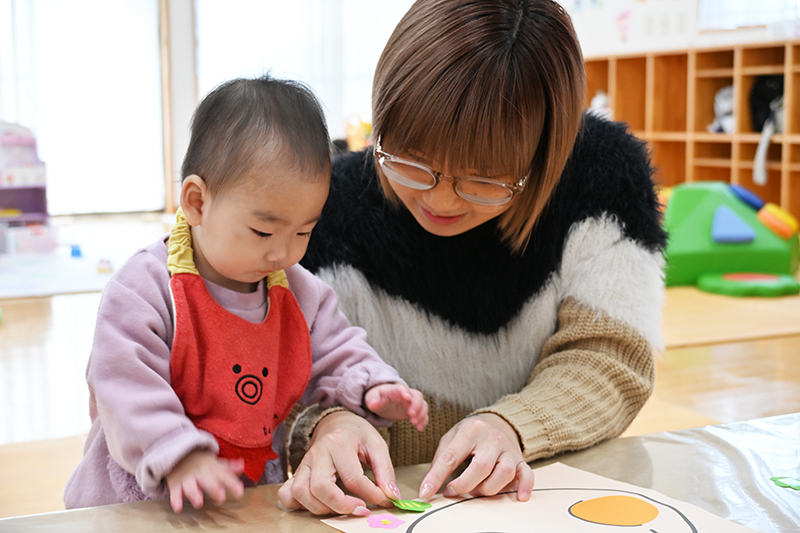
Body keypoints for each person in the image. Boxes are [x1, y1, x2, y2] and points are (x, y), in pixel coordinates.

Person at [279, 0, 666, 517]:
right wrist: (326, 426)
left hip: (541, 505)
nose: (440, 201)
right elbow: (272, 378)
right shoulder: (319, 208)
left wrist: (513, 425)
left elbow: (611, 357)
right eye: (411, 162)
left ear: (546, 153)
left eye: (484, 179)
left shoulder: (603, 174)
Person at [63, 74, 428, 513]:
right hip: (136, 504)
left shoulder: (298, 292)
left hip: (244, 499)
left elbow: (338, 349)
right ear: (197, 202)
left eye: (303, 232)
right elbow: (123, 383)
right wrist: (178, 453)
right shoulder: (145, 288)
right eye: (262, 231)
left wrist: (372, 385)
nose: (283, 252)